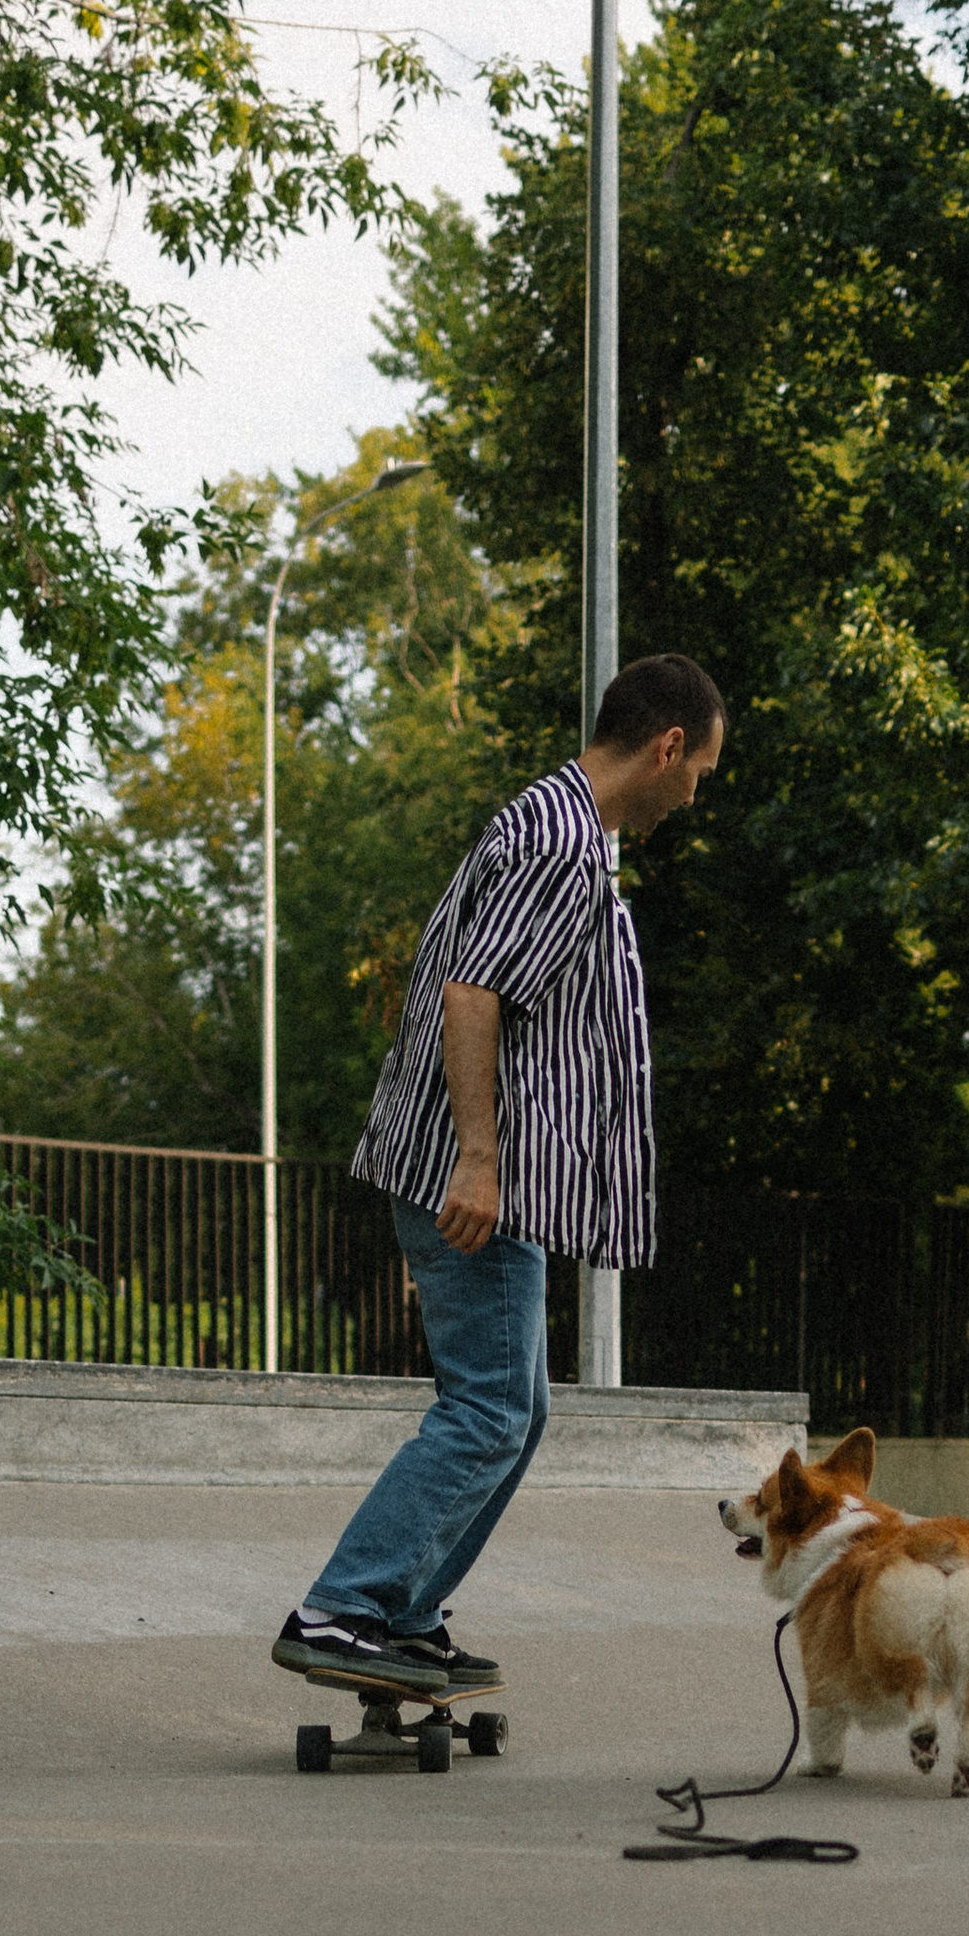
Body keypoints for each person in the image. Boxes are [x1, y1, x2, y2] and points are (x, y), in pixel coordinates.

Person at [273, 651, 725, 1700]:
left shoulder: (552, 822)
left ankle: (407, 1613)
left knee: (516, 1412)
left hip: (480, 1175)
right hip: (470, 1177)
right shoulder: (564, 845)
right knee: (485, 1412)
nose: (691, 796)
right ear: (665, 748)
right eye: (697, 772)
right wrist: (478, 1159)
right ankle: (342, 1610)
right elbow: (472, 996)